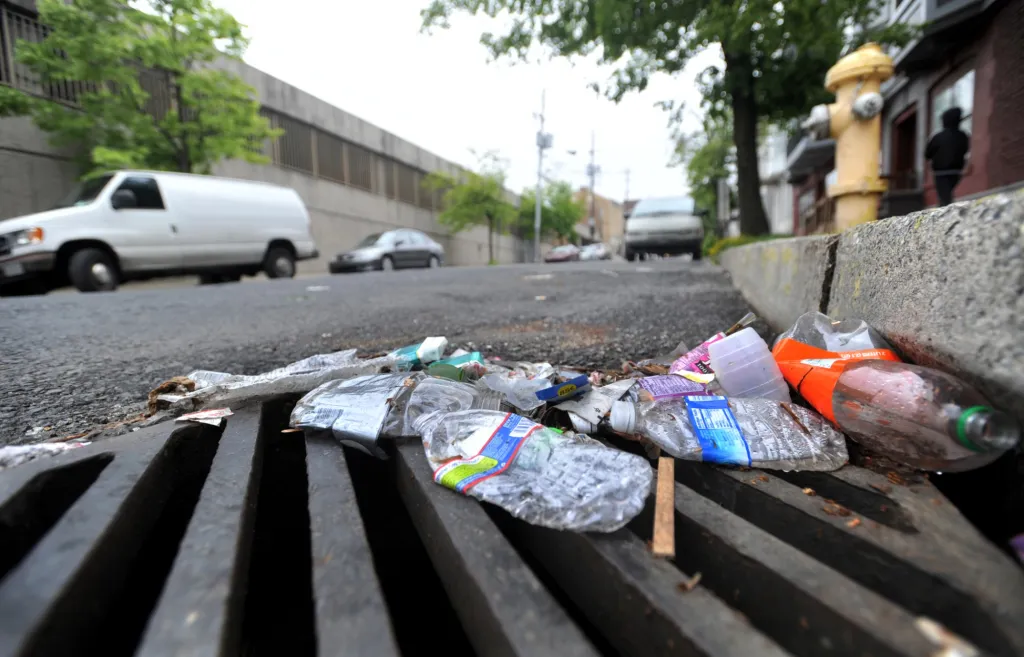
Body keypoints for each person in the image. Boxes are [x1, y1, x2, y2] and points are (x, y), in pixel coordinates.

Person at [924, 107, 970, 206]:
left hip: (940, 172)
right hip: (956, 170)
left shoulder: (937, 137)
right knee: (948, 194)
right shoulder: (963, 136)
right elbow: (965, 150)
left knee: (944, 197)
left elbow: (927, 154)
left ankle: (944, 213)